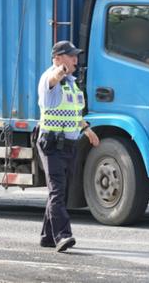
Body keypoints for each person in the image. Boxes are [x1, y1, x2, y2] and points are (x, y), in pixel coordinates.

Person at [37, 40, 99, 253]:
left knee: (60, 191)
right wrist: (59, 71)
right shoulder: (50, 78)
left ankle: (47, 236)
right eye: (70, 55)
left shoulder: (72, 83)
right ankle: (63, 235)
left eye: (75, 55)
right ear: (58, 58)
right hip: (52, 144)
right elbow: (54, 79)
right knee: (57, 190)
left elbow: (73, 112)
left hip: (69, 145)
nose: (75, 59)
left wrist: (86, 129)